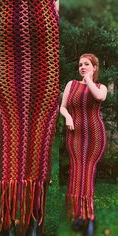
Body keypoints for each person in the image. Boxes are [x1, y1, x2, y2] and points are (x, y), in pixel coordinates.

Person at [60, 53, 107, 236]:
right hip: (75, 135)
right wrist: (68, 116)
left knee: (88, 174)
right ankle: (79, 215)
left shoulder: (100, 87)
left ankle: (90, 217)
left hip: (94, 135)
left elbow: (99, 97)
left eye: (86, 64)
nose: (82, 67)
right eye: (80, 64)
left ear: (94, 67)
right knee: (77, 173)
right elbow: (62, 106)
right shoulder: (71, 85)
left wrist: (88, 79)